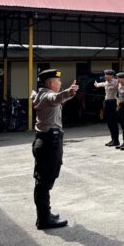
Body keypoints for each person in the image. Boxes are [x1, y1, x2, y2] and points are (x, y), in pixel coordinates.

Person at [31, 69, 78, 230]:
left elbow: (59, 100)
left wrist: (68, 93)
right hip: (49, 142)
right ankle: (44, 220)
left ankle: (45, 214)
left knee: (43, 180)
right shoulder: (48, 96)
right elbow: (56, 98)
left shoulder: (40, 95)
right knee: (44, 182)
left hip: (44, 140)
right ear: (51, 83)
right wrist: (67, 92)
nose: (60, 83)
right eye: (58, 81)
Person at [93, 69, 119, 147]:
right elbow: (101, 84)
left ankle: (116, 140)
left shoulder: (116, 82)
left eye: (107, 75)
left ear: (111, 75)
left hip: (113, 102)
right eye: (105, 75)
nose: (105, 76)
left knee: (113, 122)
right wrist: (96, 84)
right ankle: (113, 139)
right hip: (107, 103)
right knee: (109, 122)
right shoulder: (106, 82)